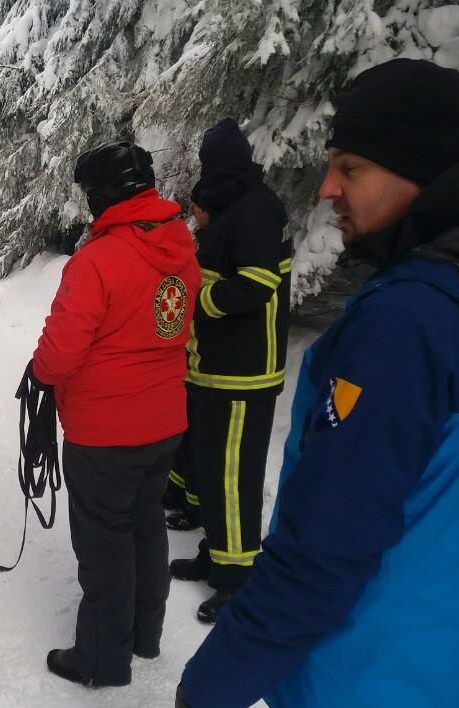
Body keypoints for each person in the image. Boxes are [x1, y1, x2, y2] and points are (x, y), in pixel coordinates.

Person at [177, 59, 459, 708]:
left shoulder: (410, 325)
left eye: (350, 168)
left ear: (419, 171)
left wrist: (211, 688)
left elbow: (325, 547)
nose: (326, 188)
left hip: (363, 683)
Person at [32, 140, 200, 688]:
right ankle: (144, 635)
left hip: (105, 431)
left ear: (102, 195)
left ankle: (102, 660)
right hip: (165, 420)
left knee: (104, 541)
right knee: (145, 523)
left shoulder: (99, 259)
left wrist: (38, 372)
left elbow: (61, 351)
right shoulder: (180, 246)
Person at [168, 118, 291, 624]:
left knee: (235, 479)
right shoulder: (234, 203)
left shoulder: (258, 210)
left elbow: (256, 284)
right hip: (214, 366)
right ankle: (217, 556)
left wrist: (200, 298)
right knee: (211, 471)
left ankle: (238, 581)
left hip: (245, 371)